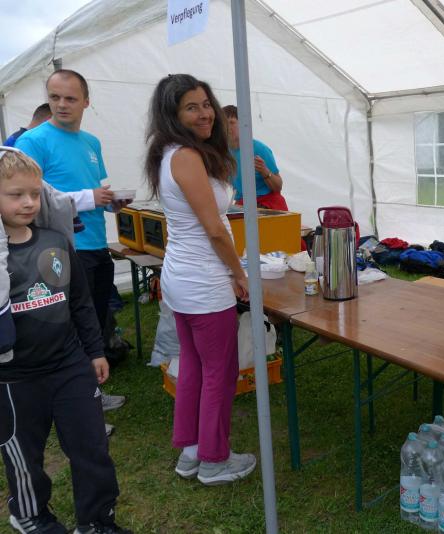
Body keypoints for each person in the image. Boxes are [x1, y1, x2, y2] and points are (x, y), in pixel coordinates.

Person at [0, 147, 131, 534]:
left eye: (34, 193)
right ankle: (30, 515)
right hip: (15, 377)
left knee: (92, 446)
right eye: (16, 195)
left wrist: (94, 351)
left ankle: (97, 520)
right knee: (24, 454)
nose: (28, 202)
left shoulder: (55, 240)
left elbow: (80, 303)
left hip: (70, 365)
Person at [144, 74, 256, 485]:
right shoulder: (186, 157)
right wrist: (239, 273)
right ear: (172, 115)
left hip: (183, 278)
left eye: (206, 104)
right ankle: (214, 460)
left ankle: (191, 452)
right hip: (204, 283)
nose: (205, 113)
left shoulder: (170, 153)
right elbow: (214, 229)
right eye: (192, 107)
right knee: (219, 373)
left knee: (193, 365)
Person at [15, 70, 127, 417]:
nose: (61, 104)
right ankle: (78, 401)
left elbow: (94, 188)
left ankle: (90, 391)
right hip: (59, 248)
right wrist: (89, 197)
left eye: (70, 98)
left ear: (86, 102)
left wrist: (109, 201)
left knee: (94, 320)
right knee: (69, 327)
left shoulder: (91, 143)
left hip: (96, 243)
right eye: (55, 97)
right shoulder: (32, 141)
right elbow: (28, 199)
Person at [222, 105, 288, 211]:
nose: (227, 127)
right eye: (223, 123)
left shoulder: (259, 149)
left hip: (268, 205)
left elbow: (278, 187)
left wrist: (264, 171)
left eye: (231, 122)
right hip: (242, 205)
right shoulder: (224, 153)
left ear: (242, 124)